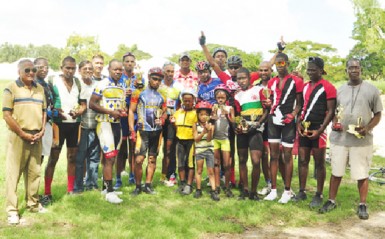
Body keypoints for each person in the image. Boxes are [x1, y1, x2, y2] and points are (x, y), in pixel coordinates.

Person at [319, 58, 382, 220]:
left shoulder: (372, 90)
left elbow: (378, 114)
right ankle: (331, 200)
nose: (354, 70)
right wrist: (334, 123)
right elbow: (332, 112)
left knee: (362, 174)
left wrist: (367, 128)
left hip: (361, 141)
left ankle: (362, 204)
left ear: (361, 69)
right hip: (339, 139)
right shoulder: (339, 90)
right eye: (351, 68)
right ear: (346, 70)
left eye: (357, 67)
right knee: (336, 172)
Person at [3, 59, 47, 225]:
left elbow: (44, 112)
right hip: (18, 137)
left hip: (37, 136)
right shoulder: (11, 88)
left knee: (34, 172)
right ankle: (12, 211)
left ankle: (33, 204)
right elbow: (7, 115)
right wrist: (22, 133)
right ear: (19, 71)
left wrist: (42, 130)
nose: (31, 73)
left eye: (33, 70)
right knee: (14, 174)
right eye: (27, 70)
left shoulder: (39, 88)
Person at [294, 57, 336, 208]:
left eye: (313, 70)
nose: (310, 72)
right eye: (308, 70)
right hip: (304, 128)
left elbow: (331, 111)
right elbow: (301, 106)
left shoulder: (328, 87)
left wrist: (320, 130)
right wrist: (298, 123)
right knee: (303, 160)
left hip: (319, 128)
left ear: (321, 70)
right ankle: (302, 191)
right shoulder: (305, 87)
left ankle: (318, 194)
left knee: (319, 163)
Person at [41, 56, 83, 205]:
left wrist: (79, 111)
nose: (70, 71)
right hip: (58, 125)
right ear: (61, 67)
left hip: (74, 124)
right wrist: (55, 111)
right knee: (53, 158)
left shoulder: (78, 82)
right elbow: (47, 101)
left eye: (73, 68)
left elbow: (83, 104)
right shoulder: (53, 81)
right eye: (67, 68)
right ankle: (47, 193)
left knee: (72, 158)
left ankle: (70, 189)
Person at [264, 53, 303, 203]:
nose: (279, 66)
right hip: (273, 119)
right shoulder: (272, 82)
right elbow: (271, 100)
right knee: (273, 155)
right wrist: (268, 104)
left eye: (282, 63)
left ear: (287, 63)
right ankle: (273, 190)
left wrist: (293, 114)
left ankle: (287, 191)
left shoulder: (296, 81)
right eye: (277, 64)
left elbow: (299, 103)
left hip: (288, 121)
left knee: (287, 155)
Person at [89, 59, 127, 204]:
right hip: (104, 123)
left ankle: (106, 187)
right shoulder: (102, 84)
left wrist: (121, 111)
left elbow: (121, 105)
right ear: (109, 70)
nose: (118, 72)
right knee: (109, 157)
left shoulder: (121, 86)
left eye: (120, 70)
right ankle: (110, 192)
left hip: (117, 124)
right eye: (115, 69)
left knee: (111, 157)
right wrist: (110, 112)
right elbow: (91, 104)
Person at [129, 67, 167, 196]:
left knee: (152, 159)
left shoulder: (162, 95)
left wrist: (162, 119)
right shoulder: (139, 93)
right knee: (139, 159)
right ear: (149, 78)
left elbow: (165, 111)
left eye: (159, 80)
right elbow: (131, 111)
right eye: (154, 79)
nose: (156, 82)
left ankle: (148, 185)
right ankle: (138, 186)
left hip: (157, 132)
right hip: (143, 130)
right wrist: (131, 129)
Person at [234, 67, 268, 200]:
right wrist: (237, 126)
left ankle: (254, 192)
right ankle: (245, 190)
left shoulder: (259, 90)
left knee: (255, 161)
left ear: (249, 78)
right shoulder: (237, 95)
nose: (241, 81)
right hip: (243, 130)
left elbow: (266, 110)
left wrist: (258, 124)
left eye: (243, 78)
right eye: (238, 79)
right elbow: (237, 114)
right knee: (242, 160)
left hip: (256, 130)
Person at [115, 52, 145, 189]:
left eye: (132, 61)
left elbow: (143, 94)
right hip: (120, 115)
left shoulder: (139, 79)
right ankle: (118, 177)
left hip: (134, 116)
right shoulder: (117, 77)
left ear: (135, 63)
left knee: (134, 148)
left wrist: (134, 93)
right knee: (121, 148)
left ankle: (133, 175)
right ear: (123, 63)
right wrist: (123, 92)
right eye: (126, 61)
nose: (129, 64)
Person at [74, 60, 101, 192]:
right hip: (82, 127)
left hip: (96, 126)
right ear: (79, 70)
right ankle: (78, 186)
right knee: (80, 159)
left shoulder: (97, 85)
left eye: (90, 69)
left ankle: (92, 184)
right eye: (85, 69)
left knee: (94, 158)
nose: (88, 71)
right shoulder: (77, 85)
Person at [158, 62, 182, 186]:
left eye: (172, 71)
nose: (169, 74)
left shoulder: (178, 86)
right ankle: (161, 175)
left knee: (169, 148)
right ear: (163, 72)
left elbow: (182, 104)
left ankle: (170, 174)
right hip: (158, 119)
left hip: (171, 121)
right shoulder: (158, 85)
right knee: (156, 148)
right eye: (167, 71)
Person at [171, 89, 198, 195]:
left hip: (191, 141)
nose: (187, 103)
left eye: (189, 101)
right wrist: (173, 123)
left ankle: (189, 184)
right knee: (181, 162)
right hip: (180, 140)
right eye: (185, 100)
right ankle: (182, 183)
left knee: (190, 163)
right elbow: (175, 125)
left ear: (193, 101)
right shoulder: (178, 112)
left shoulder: (195, 113)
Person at [192, 101, 219, 201]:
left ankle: (213, 190)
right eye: (201, 114)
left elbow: (209, 139)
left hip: (209, 150)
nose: (203, 117)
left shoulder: (211, 125)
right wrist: (203, 131)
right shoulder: (195, 125)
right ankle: (198, 189)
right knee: (199, 170)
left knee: (211, 171)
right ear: (198, 115)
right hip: (199, 150)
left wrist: (209, 131)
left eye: (206, 115)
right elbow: (196, 139)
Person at [211, 84, 235, 197]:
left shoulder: (230, 108)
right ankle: (216, 186)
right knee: (216, 163)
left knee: (226, 164)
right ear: (216, 98)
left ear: (226, 98)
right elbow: (209, 121)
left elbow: (234, 123)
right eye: (218, 98)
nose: (220, 100)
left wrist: (228, 115)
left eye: (223, 98)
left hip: (225, 139)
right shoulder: (213, 107)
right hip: (215, 139)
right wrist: (212, 118)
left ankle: (227, 186)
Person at [256, 61, 273, 196]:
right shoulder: (255, 87)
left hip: (276, 123)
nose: (263, 73)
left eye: (266, 70)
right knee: (264, 155)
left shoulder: (277, 85)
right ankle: (269, 183)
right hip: (262, 125)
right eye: (261, 70)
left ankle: (285, 186)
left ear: (271, 70)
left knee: (278, 156)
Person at [34, 57, 53, 163]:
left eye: (47, 67)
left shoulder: (46, 84)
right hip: (37, 124)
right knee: (36, 155)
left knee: (41, 155)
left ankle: (36, 178)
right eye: (41, 67)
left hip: (47, 123)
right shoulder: (33, 84)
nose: (44, 70)